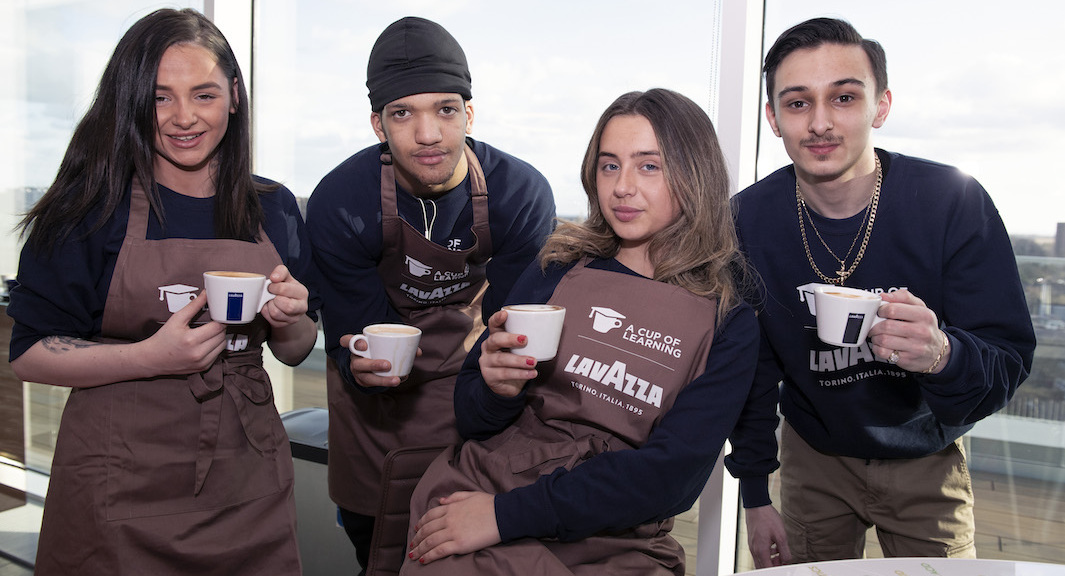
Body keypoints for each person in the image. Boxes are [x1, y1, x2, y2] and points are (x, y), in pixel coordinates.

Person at [7, 8, 319, 575]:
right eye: (159, 98)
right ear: (131, 101)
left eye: (203, 94)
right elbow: (30, 352)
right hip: (116, 478)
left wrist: (292, 316)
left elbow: (295, 350)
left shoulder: (272, 207)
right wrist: (150, 357)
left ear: (234, 97)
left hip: (247, 478)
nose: (183, 118)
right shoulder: (88, 209)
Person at [398, 88, 759, 575]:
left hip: (612, 526)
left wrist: (505, 518)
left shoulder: (728, 321)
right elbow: (471, 416)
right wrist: (495, 389)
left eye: (648, 166)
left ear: (695, 175)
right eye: (610, 165)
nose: (622, 187)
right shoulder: (557, 267)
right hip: (487, 486)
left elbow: (671, 480)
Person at [726, 17, 1037, 567]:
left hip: (927, 454)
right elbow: (749, 370)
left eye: (844, 98)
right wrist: (754, 494)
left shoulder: (952, 201)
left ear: (882, 106)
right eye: (797, 103)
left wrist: (942, 354)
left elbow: (1008, 360)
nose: (820, 122)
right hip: (812, 455)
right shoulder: (748, 220)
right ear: (773, 118)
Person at [304, 16, 556, 573]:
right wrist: (359, 367)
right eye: (403, 113)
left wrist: (491, 397)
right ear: (378, 124)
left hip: (479, 392)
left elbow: (511, 330)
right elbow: (351, 332)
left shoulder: (518, 194)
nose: (428, 134)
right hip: (377, 421)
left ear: (469, 114)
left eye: (445, 110)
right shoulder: (341, 202)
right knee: (378, 553)